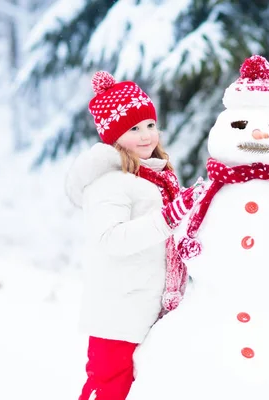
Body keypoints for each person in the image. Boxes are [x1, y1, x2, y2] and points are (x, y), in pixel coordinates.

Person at [65, 71, 199, 400]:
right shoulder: (109, 182)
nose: (146, 136)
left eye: (150, 125)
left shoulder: (157, 177)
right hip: (120, 315)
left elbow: (167, 238)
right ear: (113, 136)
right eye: (133, 129)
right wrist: (169, 217)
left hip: (155, 307)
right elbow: (112, 239)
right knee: (109, 390)